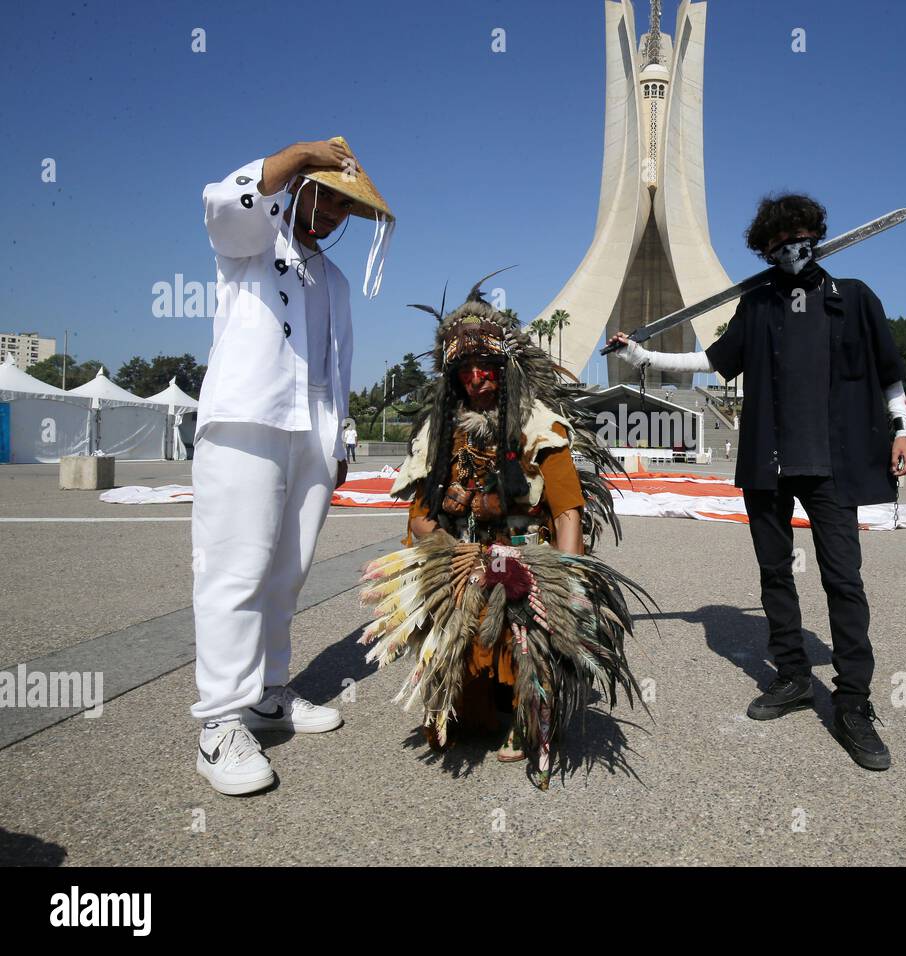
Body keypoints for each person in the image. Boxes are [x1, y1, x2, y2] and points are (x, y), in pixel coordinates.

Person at [607, 193, 906, 772]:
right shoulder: (758, 304)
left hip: (832, 463)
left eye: (797, 237)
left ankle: (853, 702)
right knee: (775, 574)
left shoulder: (851, 298)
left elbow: (889, 371)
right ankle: (794, 676)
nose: (789, 248)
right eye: (776, 243)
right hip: (769, 464)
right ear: (765, 250)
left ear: (815, 236)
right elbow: (712, 360)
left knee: (843, 579)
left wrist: (901, 428)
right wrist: (646, 356)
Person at [361, 278, 650, 790]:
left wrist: (570, 585)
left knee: (517, 618)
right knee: (464, 717)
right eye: (465, 371)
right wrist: (446, 560)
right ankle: (464, 695)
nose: (477, 379)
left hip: (523, 558)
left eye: (487, 367)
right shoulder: (438, 432)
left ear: (505, 368)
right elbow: (420, 517)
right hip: (458, 554)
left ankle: (528, 707)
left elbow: (566, 514)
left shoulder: (540, 425)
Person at [191, 136, 394, 796]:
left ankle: (268, 695)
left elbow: (339, 369)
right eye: (325, 197)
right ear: (301, 187)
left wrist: (340, 445)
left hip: (313, 431)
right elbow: (223, 202)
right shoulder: (251, 242)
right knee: (235, 571)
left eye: (344, 207)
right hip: (248, 420)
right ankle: (219, 724)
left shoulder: (332, 280)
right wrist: (305, 152)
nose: (333, 215)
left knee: (287, 573)